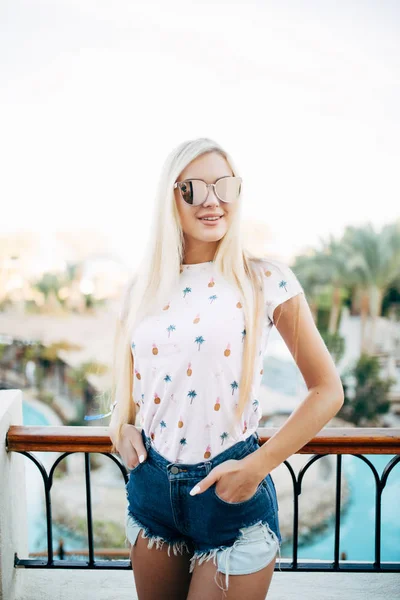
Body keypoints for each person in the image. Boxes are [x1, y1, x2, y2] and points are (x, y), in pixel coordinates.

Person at [102, 138, 344, 599]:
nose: (212, 200)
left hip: (231, 494)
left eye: (225, 186)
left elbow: (327, 391)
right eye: (192, 188)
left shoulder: (265, 280)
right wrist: (120, 425)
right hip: (152, 491)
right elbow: (134, 386)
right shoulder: (142, 289)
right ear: (169, 198)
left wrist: (256, 468)